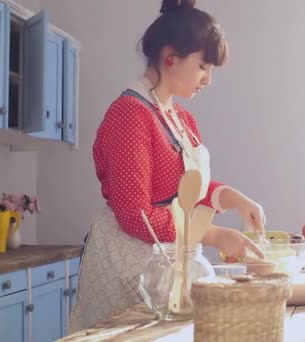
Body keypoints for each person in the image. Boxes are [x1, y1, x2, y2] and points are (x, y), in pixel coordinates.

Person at [69, 0, 267, 332]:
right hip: (130, 257)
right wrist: (215, 235)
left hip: (168, 251)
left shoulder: (181, 117)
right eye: (204, 66)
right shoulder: (130, 114)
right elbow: (136, 214)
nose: (207, 79)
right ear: (170, 56)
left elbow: (186, 191)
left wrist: (234, 199)